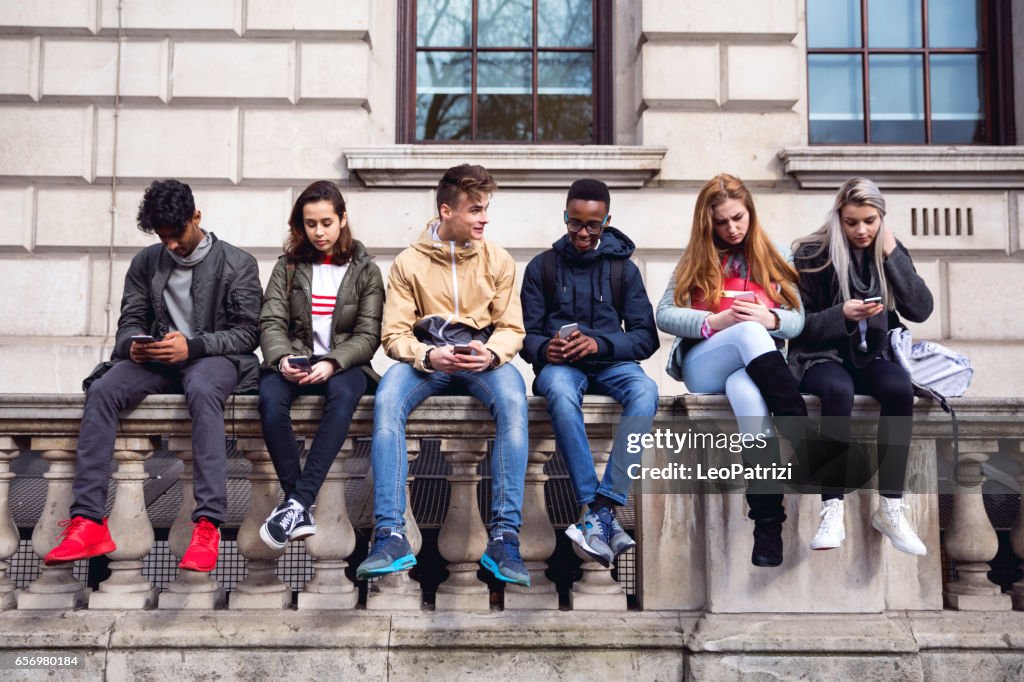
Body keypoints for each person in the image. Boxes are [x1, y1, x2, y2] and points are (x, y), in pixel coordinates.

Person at [45, 179, 262, 572]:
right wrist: (133, 346)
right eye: (163, 237)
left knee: (202, 387)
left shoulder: (238, 263)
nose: (172, 245)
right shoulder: (146, 262)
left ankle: (208, 524)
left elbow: (248, 333)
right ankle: (88, 521)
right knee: (104, 389)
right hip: (158, 363)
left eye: (177, 234)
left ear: (196, 217)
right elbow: (129, 321)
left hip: (212, 360)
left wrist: (192, 347)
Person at [354, 164, 531, 586]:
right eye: (475, 209)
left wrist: (488, 353)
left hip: (481, 360)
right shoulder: (408, 263)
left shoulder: (499, 260)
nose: (484, 218)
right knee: (387, 400)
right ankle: (390, 534)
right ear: (447, 210)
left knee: (513, 401)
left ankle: (505, 537)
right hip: (426, 363)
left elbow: (512, 328)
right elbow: (393, 334)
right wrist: (428, 356)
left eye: (486, 208)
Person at [656, 173, 806, 567]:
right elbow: (664, 313)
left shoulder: (775, 258)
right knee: (747, 332)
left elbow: (798, 320)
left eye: (738, 218)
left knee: (749, 398)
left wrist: (770, 317)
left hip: (753, 368)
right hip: (705, 363)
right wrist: (715, 322)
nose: (732, 228)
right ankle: (804, 437)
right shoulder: (696, 258)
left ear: (751, 213)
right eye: (721, 222)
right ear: (708, 223)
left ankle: (767, 524)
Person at [520, 178, 659, 567]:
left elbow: (646, 338)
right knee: (561, 395)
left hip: (613, 364)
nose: (582, 233)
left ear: (606, 221)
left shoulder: (623, 271)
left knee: (646, 391)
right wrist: (545, 348)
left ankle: (604, 506)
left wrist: (600, 344)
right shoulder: (541, 268)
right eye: (575, 223)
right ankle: (593, 508)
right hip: (561, 367)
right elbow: (524, 335)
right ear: (565, 217)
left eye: (592, 225)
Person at [791, 177, 933, 555]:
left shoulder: (888, 250)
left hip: (872, 356)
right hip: (819, 357)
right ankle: (832, 508)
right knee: (839, 391)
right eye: (852, 221)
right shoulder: (812, 254)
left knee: (900, 388)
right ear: (839, 217)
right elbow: (797, 324)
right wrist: (843, 314)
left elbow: (920, 309)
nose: (861, 230)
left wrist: (893, 255)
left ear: (881, 218)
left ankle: (890, 508)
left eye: (869, 220)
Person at [257, 181, 383, 550]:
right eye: (310, 224)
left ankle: (296, 502)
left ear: (342, 219)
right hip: (295, 360)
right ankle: (298, 502)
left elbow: (368, 335)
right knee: (268, 398)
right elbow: (271, 321)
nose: (319, 232)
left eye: (326, 222)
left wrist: (332, 362)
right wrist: (281, 360)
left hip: (345, 366)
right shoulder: (288, 268)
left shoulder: (366, 271)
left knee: (343, 397)